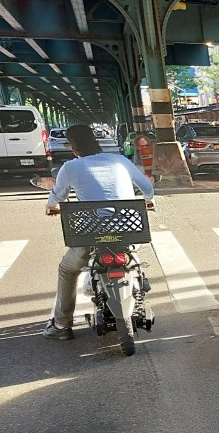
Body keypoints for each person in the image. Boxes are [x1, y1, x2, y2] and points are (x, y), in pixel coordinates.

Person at [42, 124, 155, 340]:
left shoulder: (70, 167)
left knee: (67, 270)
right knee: (132, 254)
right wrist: (148, 201)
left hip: (92, 235)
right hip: (128, 229)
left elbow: (57, 195)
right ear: (96, 142)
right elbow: (146, 188)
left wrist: (51, 207)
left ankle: (61, 325)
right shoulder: (120, 160)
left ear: (73, 148)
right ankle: (139, 280)